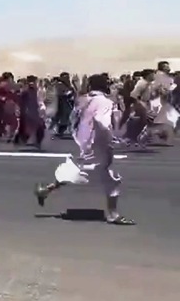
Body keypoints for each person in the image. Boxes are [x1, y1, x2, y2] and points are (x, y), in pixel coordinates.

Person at [35, 74, 135, 225]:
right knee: (111, 179)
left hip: (85, 142)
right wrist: (111, 138)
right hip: (98, 144)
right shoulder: (104, 102)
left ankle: (46, 190)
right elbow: (102, 122)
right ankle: (113, 215)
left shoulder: (84, 100)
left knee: (79, 168)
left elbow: (74, 119)